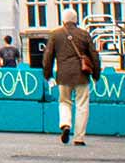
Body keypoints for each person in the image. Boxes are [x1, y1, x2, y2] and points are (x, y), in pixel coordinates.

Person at [42, 10, 100, 145]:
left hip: (63, 75)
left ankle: (65, 124)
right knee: (82, 106)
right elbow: (94, 56)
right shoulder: (84, 34)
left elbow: (47, 57)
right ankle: (79, 138)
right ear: (76, 20)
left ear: (63, 20)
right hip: (82, 75)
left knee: (64, 102)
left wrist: (48, 75)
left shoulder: (55, 34)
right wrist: (96, 75)